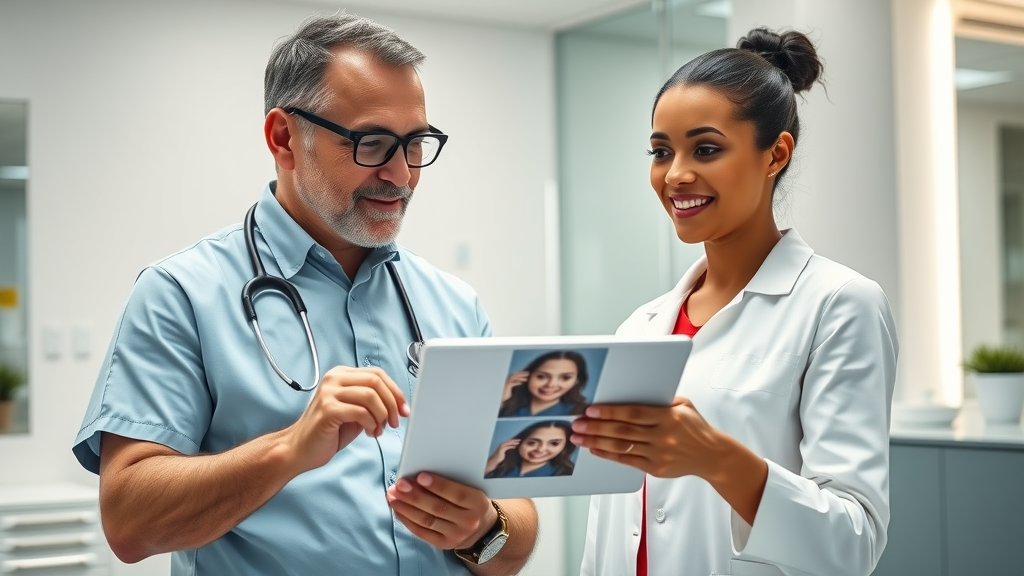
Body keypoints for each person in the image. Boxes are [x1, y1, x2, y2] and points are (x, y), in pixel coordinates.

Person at [71, 13, 538, 576]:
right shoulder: (181, 295)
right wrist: (288, 450)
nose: (401, 174)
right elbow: (129, 523)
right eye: (371, 143)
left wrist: (482, 528)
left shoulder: (453, 304)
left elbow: (516, 527)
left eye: (415, 143)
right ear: (284, 137)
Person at [571, 28, 898, 576]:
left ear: (776, 155)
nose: (675, 174)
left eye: (706, 148)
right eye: (660, 151)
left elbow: (855, 541)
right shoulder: (640, 325)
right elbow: (609, 528)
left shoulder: (840, 306)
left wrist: (717, 460)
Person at [498, 350, 590, 417]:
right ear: (527, 376)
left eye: (565, 378)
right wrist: (500, 401)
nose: (551, 384)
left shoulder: (582, 413)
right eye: (542, 377)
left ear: (576, 381)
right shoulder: (508, 408)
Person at [485, 420, 577, 479]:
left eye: (554, 443)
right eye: (532, 443)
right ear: (518, 442)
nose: (541, 449)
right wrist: (494, 460)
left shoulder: (565, 474)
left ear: (565, 446)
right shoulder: (499, 466)